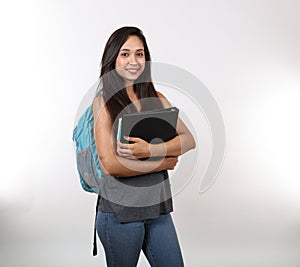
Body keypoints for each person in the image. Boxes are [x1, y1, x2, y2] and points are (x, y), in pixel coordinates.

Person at [92, 26, 196, 267]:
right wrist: (164, 161)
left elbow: (188, 139)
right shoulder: (103, 103)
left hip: (157, 211)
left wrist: (150, 151)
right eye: (125, 54)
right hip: (119, 215)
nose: (133, 61)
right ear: (113, 59)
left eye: (139, 54)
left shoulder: (157, 98)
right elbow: (110, 165)